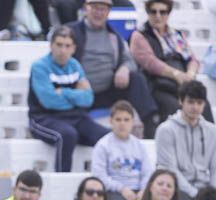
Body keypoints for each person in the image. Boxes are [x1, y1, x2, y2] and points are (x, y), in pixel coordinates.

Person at [69, 0, 158, 135]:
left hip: (106, 91)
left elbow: (130, 60)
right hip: (80, 92)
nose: (99, 13)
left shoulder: (114, 36)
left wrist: (124, 68)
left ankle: (150, 124)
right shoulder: (72, 32)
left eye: (103, 9)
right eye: (95, 8)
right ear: (86, 8)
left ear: (109, 12)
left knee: (136, 78)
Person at [29, 26, 103, 174]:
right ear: (51, 46)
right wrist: (76, 93)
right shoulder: (39, 67)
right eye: (59, 45)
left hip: (75, 117)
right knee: (68, 135)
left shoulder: (75, 66)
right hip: (43, 118)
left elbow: (88, 99)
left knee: (106, 137)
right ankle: (62, 180)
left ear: (73, 48)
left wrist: (62, 92)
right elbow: (49, 101)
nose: (63, 50)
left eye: (67, 46)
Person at [130, 0, 206, 126]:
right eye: (153, 11)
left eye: (163, 12)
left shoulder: (176, 35)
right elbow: (150, 62)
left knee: (201, 102)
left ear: (168, 13)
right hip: (158, 85)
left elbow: (192, 59)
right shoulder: (139, 35)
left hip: (183, 83)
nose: (158, 16)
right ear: (147, 13)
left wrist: (190, 74)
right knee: (172, 107)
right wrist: (176, 75)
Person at [154, 80, 216, 200]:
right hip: (178, 188)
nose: (195, 107)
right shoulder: (166, 130)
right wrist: (196, 194)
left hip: (204, 186)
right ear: (181, 101)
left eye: (199, 103)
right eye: (191, 102)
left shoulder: (212, 131)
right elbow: (170, 169)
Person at [92, 101, 153, 200]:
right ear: (111, 121)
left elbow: (147, 172)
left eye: (126, 120)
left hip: (139, 191)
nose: (122, 123)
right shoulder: (102, 145)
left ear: (133, 122)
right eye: (118, 119)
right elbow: (99, 176)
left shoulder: (140, 145)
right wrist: (121, 189)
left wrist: (143, 190)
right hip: (114, 192)